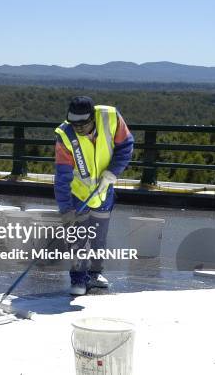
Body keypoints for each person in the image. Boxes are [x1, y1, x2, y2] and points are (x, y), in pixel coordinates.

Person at [54, 96, 134, 296]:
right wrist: (65, 210)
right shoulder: (65, 135)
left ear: (93, 118)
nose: (78, 129)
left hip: (104, 190)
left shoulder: (110, 118)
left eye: (83, 124)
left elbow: (126, 146)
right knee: (78, 238)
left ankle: (95, 274)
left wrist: (113, 172)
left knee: (99, 236)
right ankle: (78, 280)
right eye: (74, 124)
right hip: (78, 193)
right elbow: (62, 176)